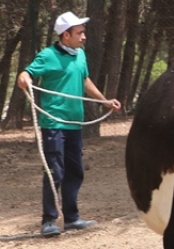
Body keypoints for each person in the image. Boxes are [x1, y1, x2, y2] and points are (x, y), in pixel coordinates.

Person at [17, 12, 122, 237]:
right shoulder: (48, 55)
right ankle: (49, 220)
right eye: (80, 33)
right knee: (54, 171)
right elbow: (26, 74)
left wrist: (104, 101)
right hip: (54, 123)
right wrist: (24, 79)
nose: (84, 36)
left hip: (74, 124)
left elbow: (84, 80)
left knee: (75, 171)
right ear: (66, 35)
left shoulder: (80, 55)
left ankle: (72, 218)